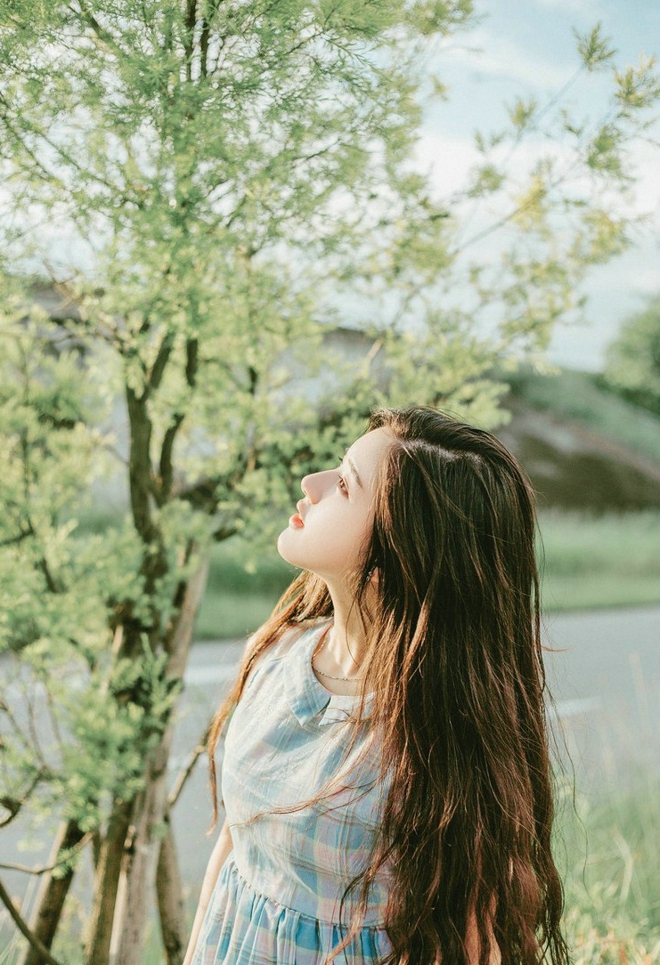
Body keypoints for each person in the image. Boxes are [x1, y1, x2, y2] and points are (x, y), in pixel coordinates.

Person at [183, 405, 569, 965]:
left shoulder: (435, 733)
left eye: (344, 483)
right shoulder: (274, 653)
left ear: (403, 545)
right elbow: (235, 850)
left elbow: (470, 938)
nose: (312, 485)